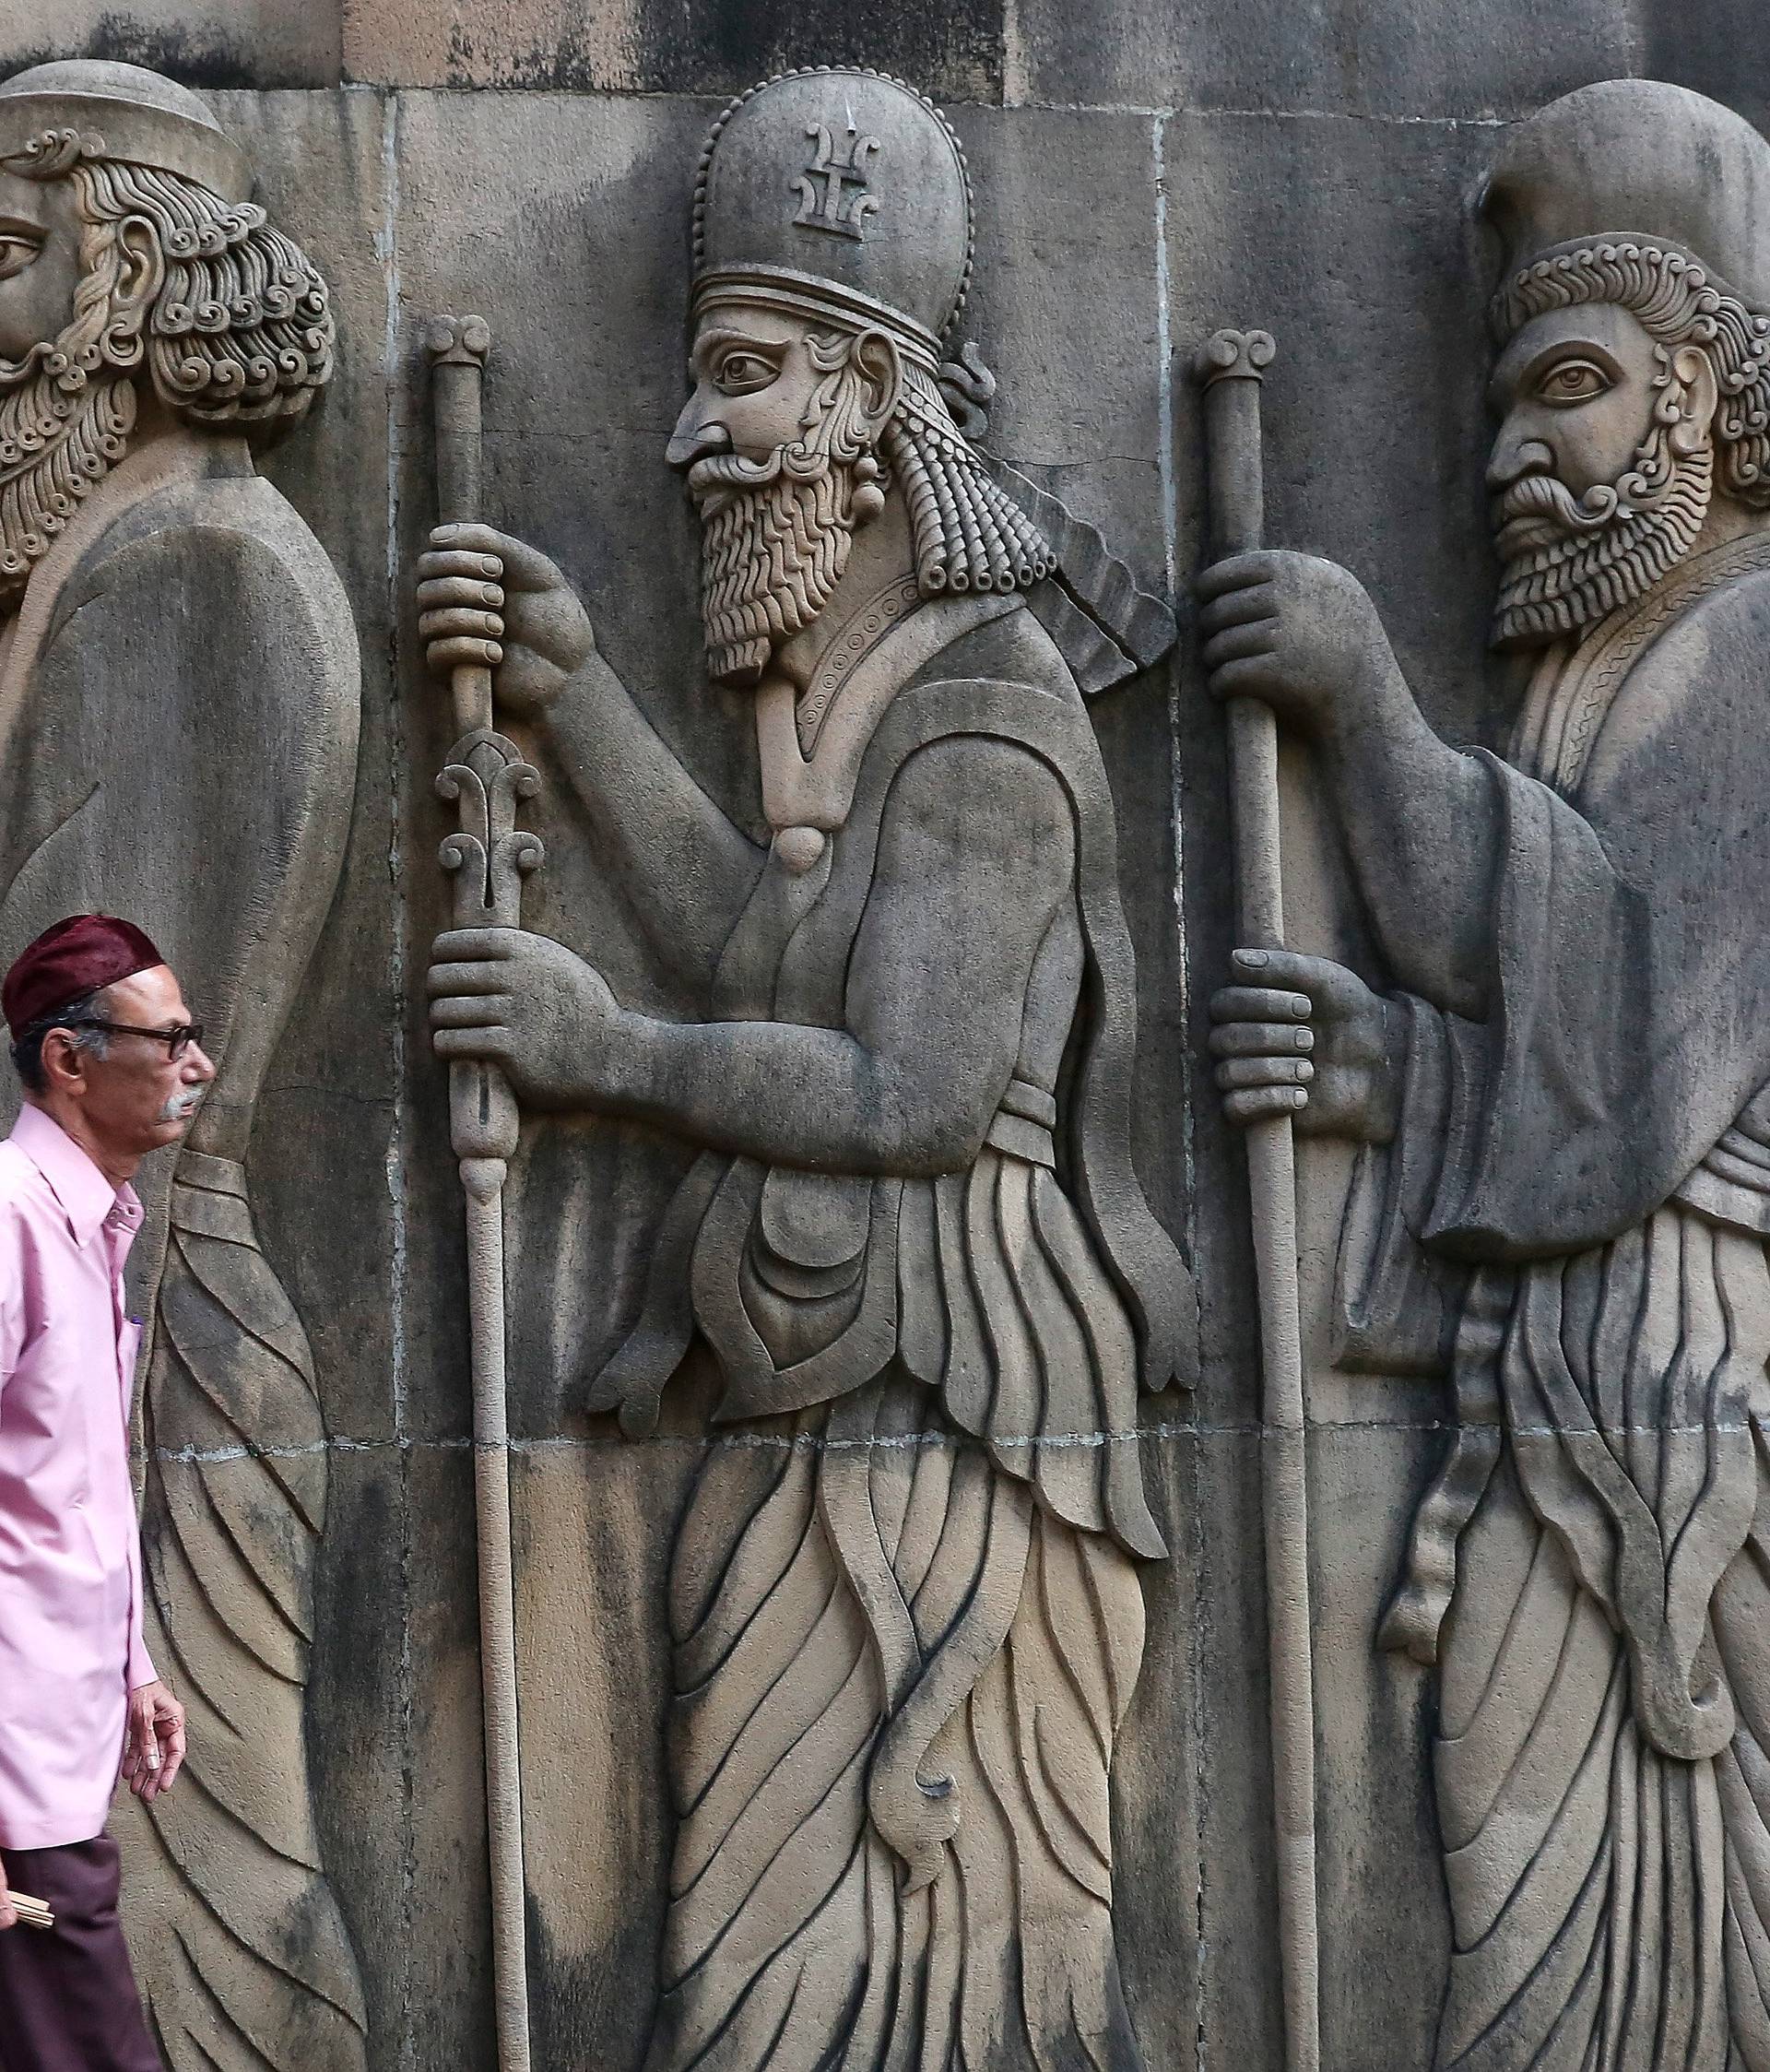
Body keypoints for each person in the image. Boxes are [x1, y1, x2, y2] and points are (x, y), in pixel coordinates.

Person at [419, 66, 1189, 2071]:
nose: (695, 436)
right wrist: (578, 696)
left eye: (742, 377)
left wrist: (611, 1055)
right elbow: (767, 959)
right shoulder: (860, 703)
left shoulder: (987, 721)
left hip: (954, 1421)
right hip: (828, 1389)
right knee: (758, 1953)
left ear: (864, 403)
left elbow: (912, 1091)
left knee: (859, 1974)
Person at [1202, 79, 1770, 2072]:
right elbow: (1537, 977)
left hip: (1691, 1414)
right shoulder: (1604, 668)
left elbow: (1617, 1026)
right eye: (1508, 404)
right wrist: (1393, 1055)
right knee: (1523, 1946)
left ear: (1707, 394)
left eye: (1578, 388)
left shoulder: (1758, 648)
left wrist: (1365, 705)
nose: (1517, 452)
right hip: (1577, 1389)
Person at [0, 61, 365, 2068]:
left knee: (203, 1925)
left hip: (187, 1320)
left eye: (10, 262)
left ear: (119, 276)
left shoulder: (181, 572)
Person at [0, 915, 213, 2071]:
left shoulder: (94, 1225)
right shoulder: (13, 1218)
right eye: (170, 1037)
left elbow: (62, 1490)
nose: (199, 1064)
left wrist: (131, 1665)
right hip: (18, 1797)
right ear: (69, 1061)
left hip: (60, 1759)